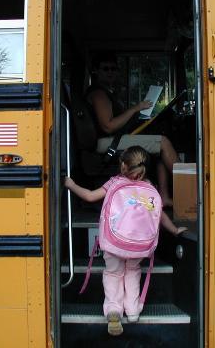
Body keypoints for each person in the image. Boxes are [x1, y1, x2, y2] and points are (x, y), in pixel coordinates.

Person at [64, 146, 187, 336]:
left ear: (123, 165)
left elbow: (89, 196)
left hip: (114, 244)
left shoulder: (113, 183)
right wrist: (174, 229)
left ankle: (113, 309)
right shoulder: (150, 187)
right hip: (140, 246)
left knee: (113, 273)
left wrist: (71, 184)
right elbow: (160, 215)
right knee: (132, 272)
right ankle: (132, 311)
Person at [85, 51, 179, 207]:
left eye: (114, 69)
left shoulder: (109, 92)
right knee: (163, 142)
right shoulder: (99, 93)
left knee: (159, 144)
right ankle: (190, 189)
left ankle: (165, 196)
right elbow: (108, 126)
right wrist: (135, 108)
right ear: (96, 71)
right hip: (108, 142)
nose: (110, 72)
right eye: (105, 69)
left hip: (115, 138)